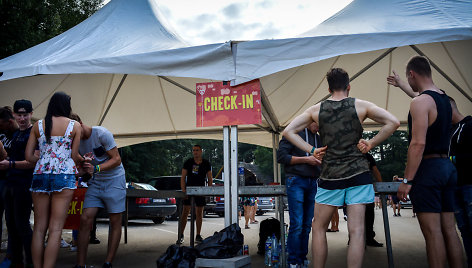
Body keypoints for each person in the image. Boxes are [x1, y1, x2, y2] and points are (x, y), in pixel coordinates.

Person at [283, 68, 399, 268]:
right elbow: (393, 122)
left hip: (330, 177)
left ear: (329, 88)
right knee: (357, 231)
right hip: (359, 175)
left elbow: (288, 131)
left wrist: (311, 149)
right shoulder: (361, 105)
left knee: (318, 228)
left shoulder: (315, 110)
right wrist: (371, 143)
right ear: (349, 86)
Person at [394, 56, 464, 268]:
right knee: (450, 231)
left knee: (433, 233)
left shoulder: (420, 102)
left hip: (429, 170)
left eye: (409, 79)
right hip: (448, 168)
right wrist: (401, 85)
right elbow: (423, 97)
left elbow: (417, 144)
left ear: (412, 74)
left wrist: (407, 180)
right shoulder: (445, 100)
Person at [25, 92, 82, 268]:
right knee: (56, 228)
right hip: (64, 176)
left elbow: (28, 157)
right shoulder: (75, 126)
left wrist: (44, 161)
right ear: (66, 106)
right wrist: (83, 161)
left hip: (40, 174)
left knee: (39, 228)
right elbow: (74, 156)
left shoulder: (38, 125)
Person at [71, 113, 126, 268]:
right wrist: (82, 170)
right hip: (96, 182)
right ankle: (80, 264)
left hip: (115, 180)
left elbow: (116, 159)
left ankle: (108, 262)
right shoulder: (75, 142)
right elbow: (81, 167)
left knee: (115, 220)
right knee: (85, 218)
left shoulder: (101, 133)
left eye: (74, 132)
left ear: (80, 123)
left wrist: (95, 168)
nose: (73, 136)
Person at [277, 121, 321, 268]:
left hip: (313, 181)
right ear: (310, 119)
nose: (319, 127)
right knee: (297, 223)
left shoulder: (319, 138)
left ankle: (302, 258)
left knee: (307, 224)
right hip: (296, 180)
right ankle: (293, 261)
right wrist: (306, 159)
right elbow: (281, 157)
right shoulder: (293, 133)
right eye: (318, 123)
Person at [0, 100, 36, 267]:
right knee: (12, 226)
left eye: (25, 114)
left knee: (22, 226)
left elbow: (32, 163)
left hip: (23, 184)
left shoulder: (33, 134)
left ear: (31, 114)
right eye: (19, 115)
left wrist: (11, 164)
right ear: (14, 115)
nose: (22, 118)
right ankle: (16, 263)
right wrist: (7, 160)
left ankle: (30, 263)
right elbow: (13, 159)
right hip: (10, 184)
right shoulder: (15, 135)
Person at [448, 97, 472, 267]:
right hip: (454, 187)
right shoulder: (449, 131)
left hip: (469, 185)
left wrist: (451, 159)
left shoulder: (469, 126)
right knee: (464, 229)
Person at [177, 145, 213, 245]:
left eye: (197, 150)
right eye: (193, 150)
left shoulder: (206, 163)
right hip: (189, 190)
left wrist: (208, 191)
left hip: (201, 191)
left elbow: (210, 178)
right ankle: (181, 235)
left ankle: (198, 235)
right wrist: (184, 191)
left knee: (199, 213)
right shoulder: (188, 162)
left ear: (201, 151)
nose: (195, 152)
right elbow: (183, 177)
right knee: (185, 212)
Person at [0, 106, 17, 268]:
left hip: (12, 181)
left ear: (9, 122)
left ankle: (11, 255)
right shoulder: (2, 132)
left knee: (12, 220)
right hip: (1, 180)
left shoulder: (20, 135)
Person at [364, 153, 383, 247]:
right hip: (363, 187)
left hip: (365, 187)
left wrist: (381, 186)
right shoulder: (366, 155)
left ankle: (367, 238)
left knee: (367, 215)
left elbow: (375, 170)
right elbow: (375, 171)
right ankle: (367, 239)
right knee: (368, 215)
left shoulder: (367, 156)